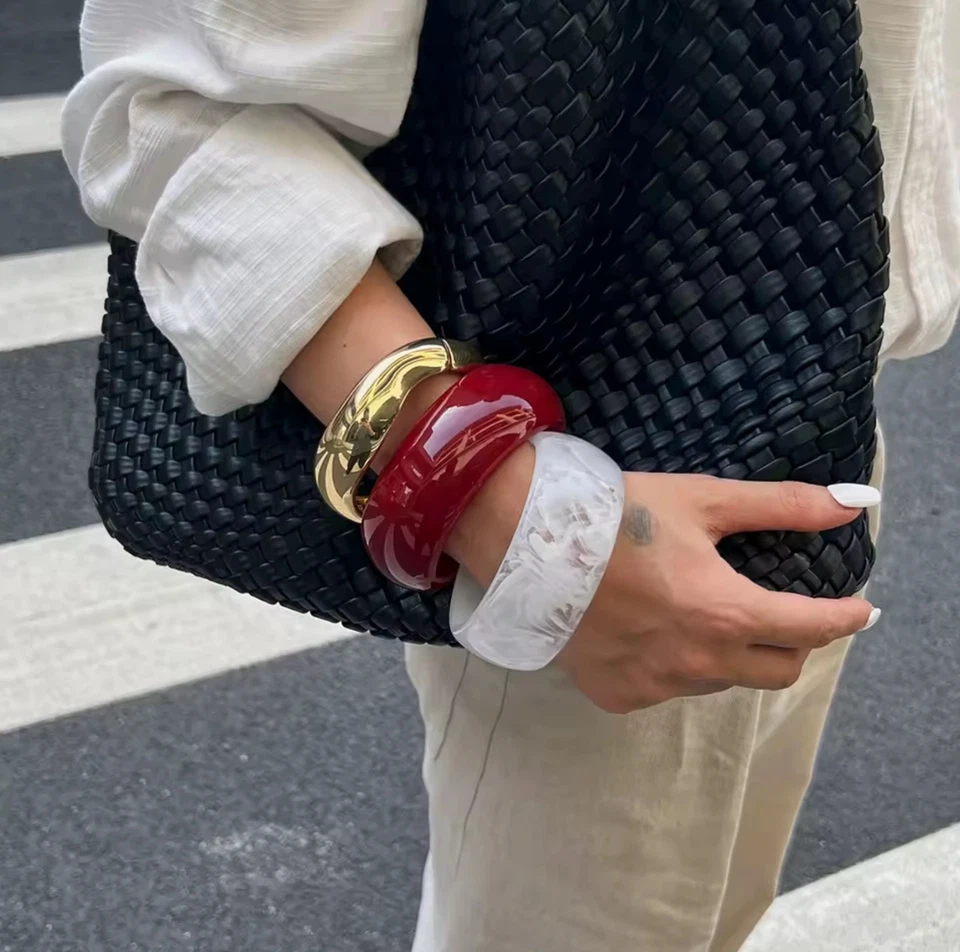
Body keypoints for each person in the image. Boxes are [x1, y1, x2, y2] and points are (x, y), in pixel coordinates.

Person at [62, 1, 960, 950]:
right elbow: (168, 108)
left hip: (817, 441)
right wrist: (520, 518)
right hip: (592, 498)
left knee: (719, 915)